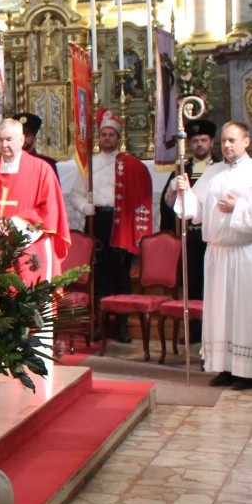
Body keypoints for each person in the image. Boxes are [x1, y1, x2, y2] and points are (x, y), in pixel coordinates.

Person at [171, 121, 252, 390]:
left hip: (247, 252)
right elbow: (194, 211)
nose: (227, 145)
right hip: (218, 252)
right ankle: (225, 366)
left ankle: (248, 373)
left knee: (246, 311)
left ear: (246, 141)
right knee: (220, 312)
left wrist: (239, 207)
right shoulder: (212, 173)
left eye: (232, 140)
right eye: (223, 140)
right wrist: (185, 192)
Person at [0, 116, 70, 283]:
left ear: (21, 140)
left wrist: (14, 225)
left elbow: (49, 209)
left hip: (30, 248)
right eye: (0, 140)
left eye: (9, 139)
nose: (4, 145)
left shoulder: (42, 170)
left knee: (30, 293)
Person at [85, 109, 153, 341]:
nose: (107, 138)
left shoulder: (130, 164)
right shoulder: (90, 164)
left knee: (121, 276)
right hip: (98, 221)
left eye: (111, 135)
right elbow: (76, 195)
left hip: (121, 223)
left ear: (118, 137)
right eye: (103, 134)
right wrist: (84, 206)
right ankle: (101, 324)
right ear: (99, 137)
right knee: (100, 276)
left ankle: (122, 326)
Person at [160, 118, 218, 340]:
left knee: (213, 285)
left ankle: (212, 330)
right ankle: (193, 329)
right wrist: (173, 190)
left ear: (212, 142)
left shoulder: (220, 168)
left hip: (213, 236)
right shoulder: (182, 169)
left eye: (203, 140)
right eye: (195, 141)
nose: (199, 145)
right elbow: (167, 205)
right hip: (190, 238)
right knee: (191, 284)